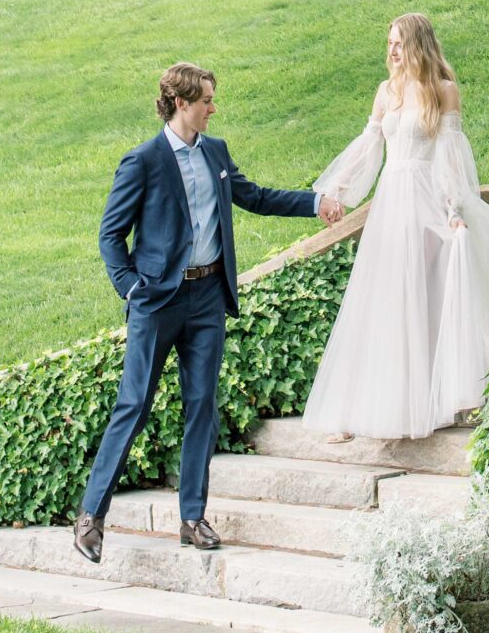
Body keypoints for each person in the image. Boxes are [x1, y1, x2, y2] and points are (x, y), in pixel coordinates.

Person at [73, 62, 342, 562]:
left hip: (207, 300)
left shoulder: (215, 153)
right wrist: (132, 289)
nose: (213, 109)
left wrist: (315, 201)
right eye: (207, 101)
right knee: (133, 407)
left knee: (203, 408)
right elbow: (111, 236)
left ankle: (192, 518)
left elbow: (255, 197)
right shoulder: (143, 161)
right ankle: (91, 517)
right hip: (157, 303)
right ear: (182, 104)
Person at [304, 12, 489, 442]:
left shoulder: (444, 92)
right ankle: (362, 408)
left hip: (426, 200)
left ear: (418, 44)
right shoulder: (386, 91)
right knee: (383, 297)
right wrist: (338, 191)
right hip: (391, 203)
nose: (392, 50)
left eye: (399, 42)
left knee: (426, 296)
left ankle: (434, 401)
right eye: (389, 42)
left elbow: (449, 157)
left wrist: (453, 207)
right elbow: (368, 149)